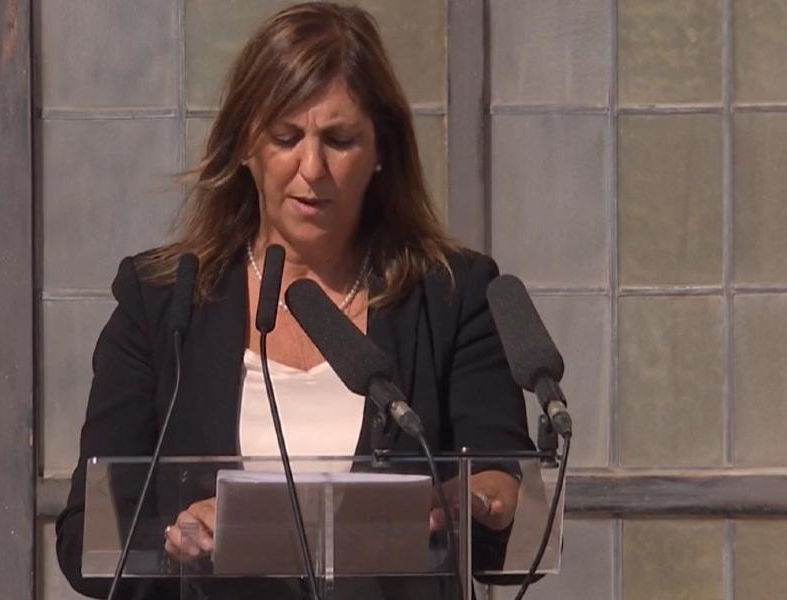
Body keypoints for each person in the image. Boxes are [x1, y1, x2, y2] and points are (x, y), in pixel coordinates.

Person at [56, 2, 535, 598]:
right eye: (286, 138)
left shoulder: (449, 295)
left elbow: (508, 496)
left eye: (339, 140)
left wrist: (480, 500)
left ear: (381, 151)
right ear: (244, 146)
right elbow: (86, 538)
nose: (312, 168)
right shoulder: (161, 300)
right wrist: (175, 539)